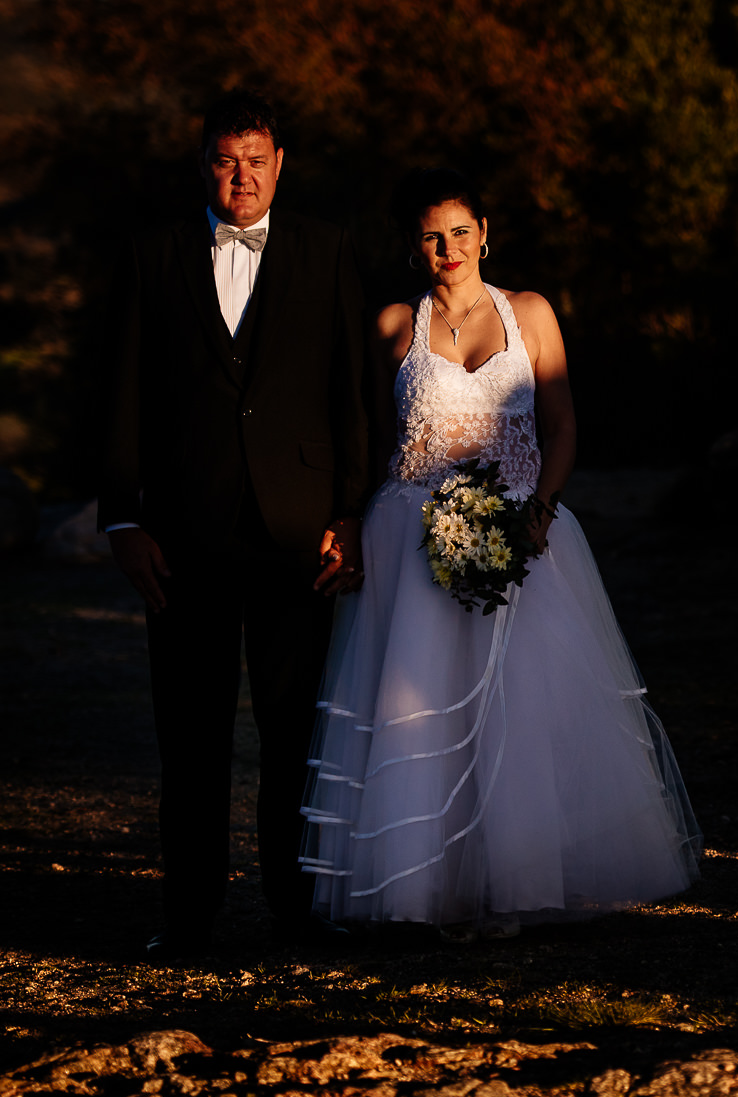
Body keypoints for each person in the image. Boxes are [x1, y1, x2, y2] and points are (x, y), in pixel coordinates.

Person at [299, 167, 698, 940]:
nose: (447, 247)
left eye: (459, 231)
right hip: (411, 535)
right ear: (414, 248)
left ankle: (512, 883)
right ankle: (424, 888)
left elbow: (564, 425)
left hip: (521, 527)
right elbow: (360, 436)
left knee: (518, 710)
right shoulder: (391, 326)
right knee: (418, 710)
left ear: (485, 233)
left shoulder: (532, 314)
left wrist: (540, 511)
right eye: (430, 235)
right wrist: (348, 519)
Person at [100, 92, 371, 959]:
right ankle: (188, 918)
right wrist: (122, 519)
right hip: (182, 536)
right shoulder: (152, 254)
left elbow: (352, 394)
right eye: (226, 159)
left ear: (280, 162)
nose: (242, 175)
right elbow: (121, 397)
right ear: (204, 164)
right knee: (191, 734)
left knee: (296, 728)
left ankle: (298, 909)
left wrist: (352, 512)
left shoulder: (328, 252)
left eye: (256, 158)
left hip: (299, 535)